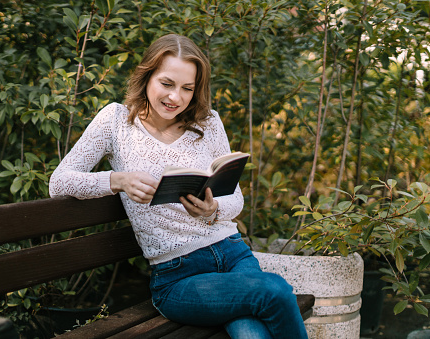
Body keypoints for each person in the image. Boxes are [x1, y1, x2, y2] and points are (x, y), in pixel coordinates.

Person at [49, 33, 308, 339]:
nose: (176, 98)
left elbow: (235, 199)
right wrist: (118, 180)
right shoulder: (116, 122)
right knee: (274, 290)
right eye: (167, 84)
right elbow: (60, 182)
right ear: (147, 77)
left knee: (251, 334)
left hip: (234, 256)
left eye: (187, 88)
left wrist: (212, 210)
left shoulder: (208, 122)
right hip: (179, 278)